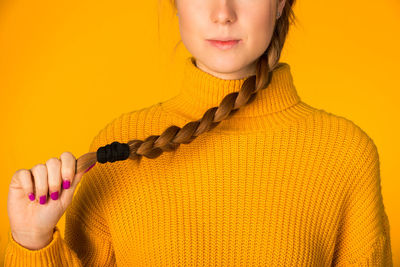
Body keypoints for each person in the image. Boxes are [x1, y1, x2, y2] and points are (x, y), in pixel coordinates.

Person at [4, 0, 393, 266]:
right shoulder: (118, 146)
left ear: (280, 3)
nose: (222, 13)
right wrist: (32, 241)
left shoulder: (345, 154)